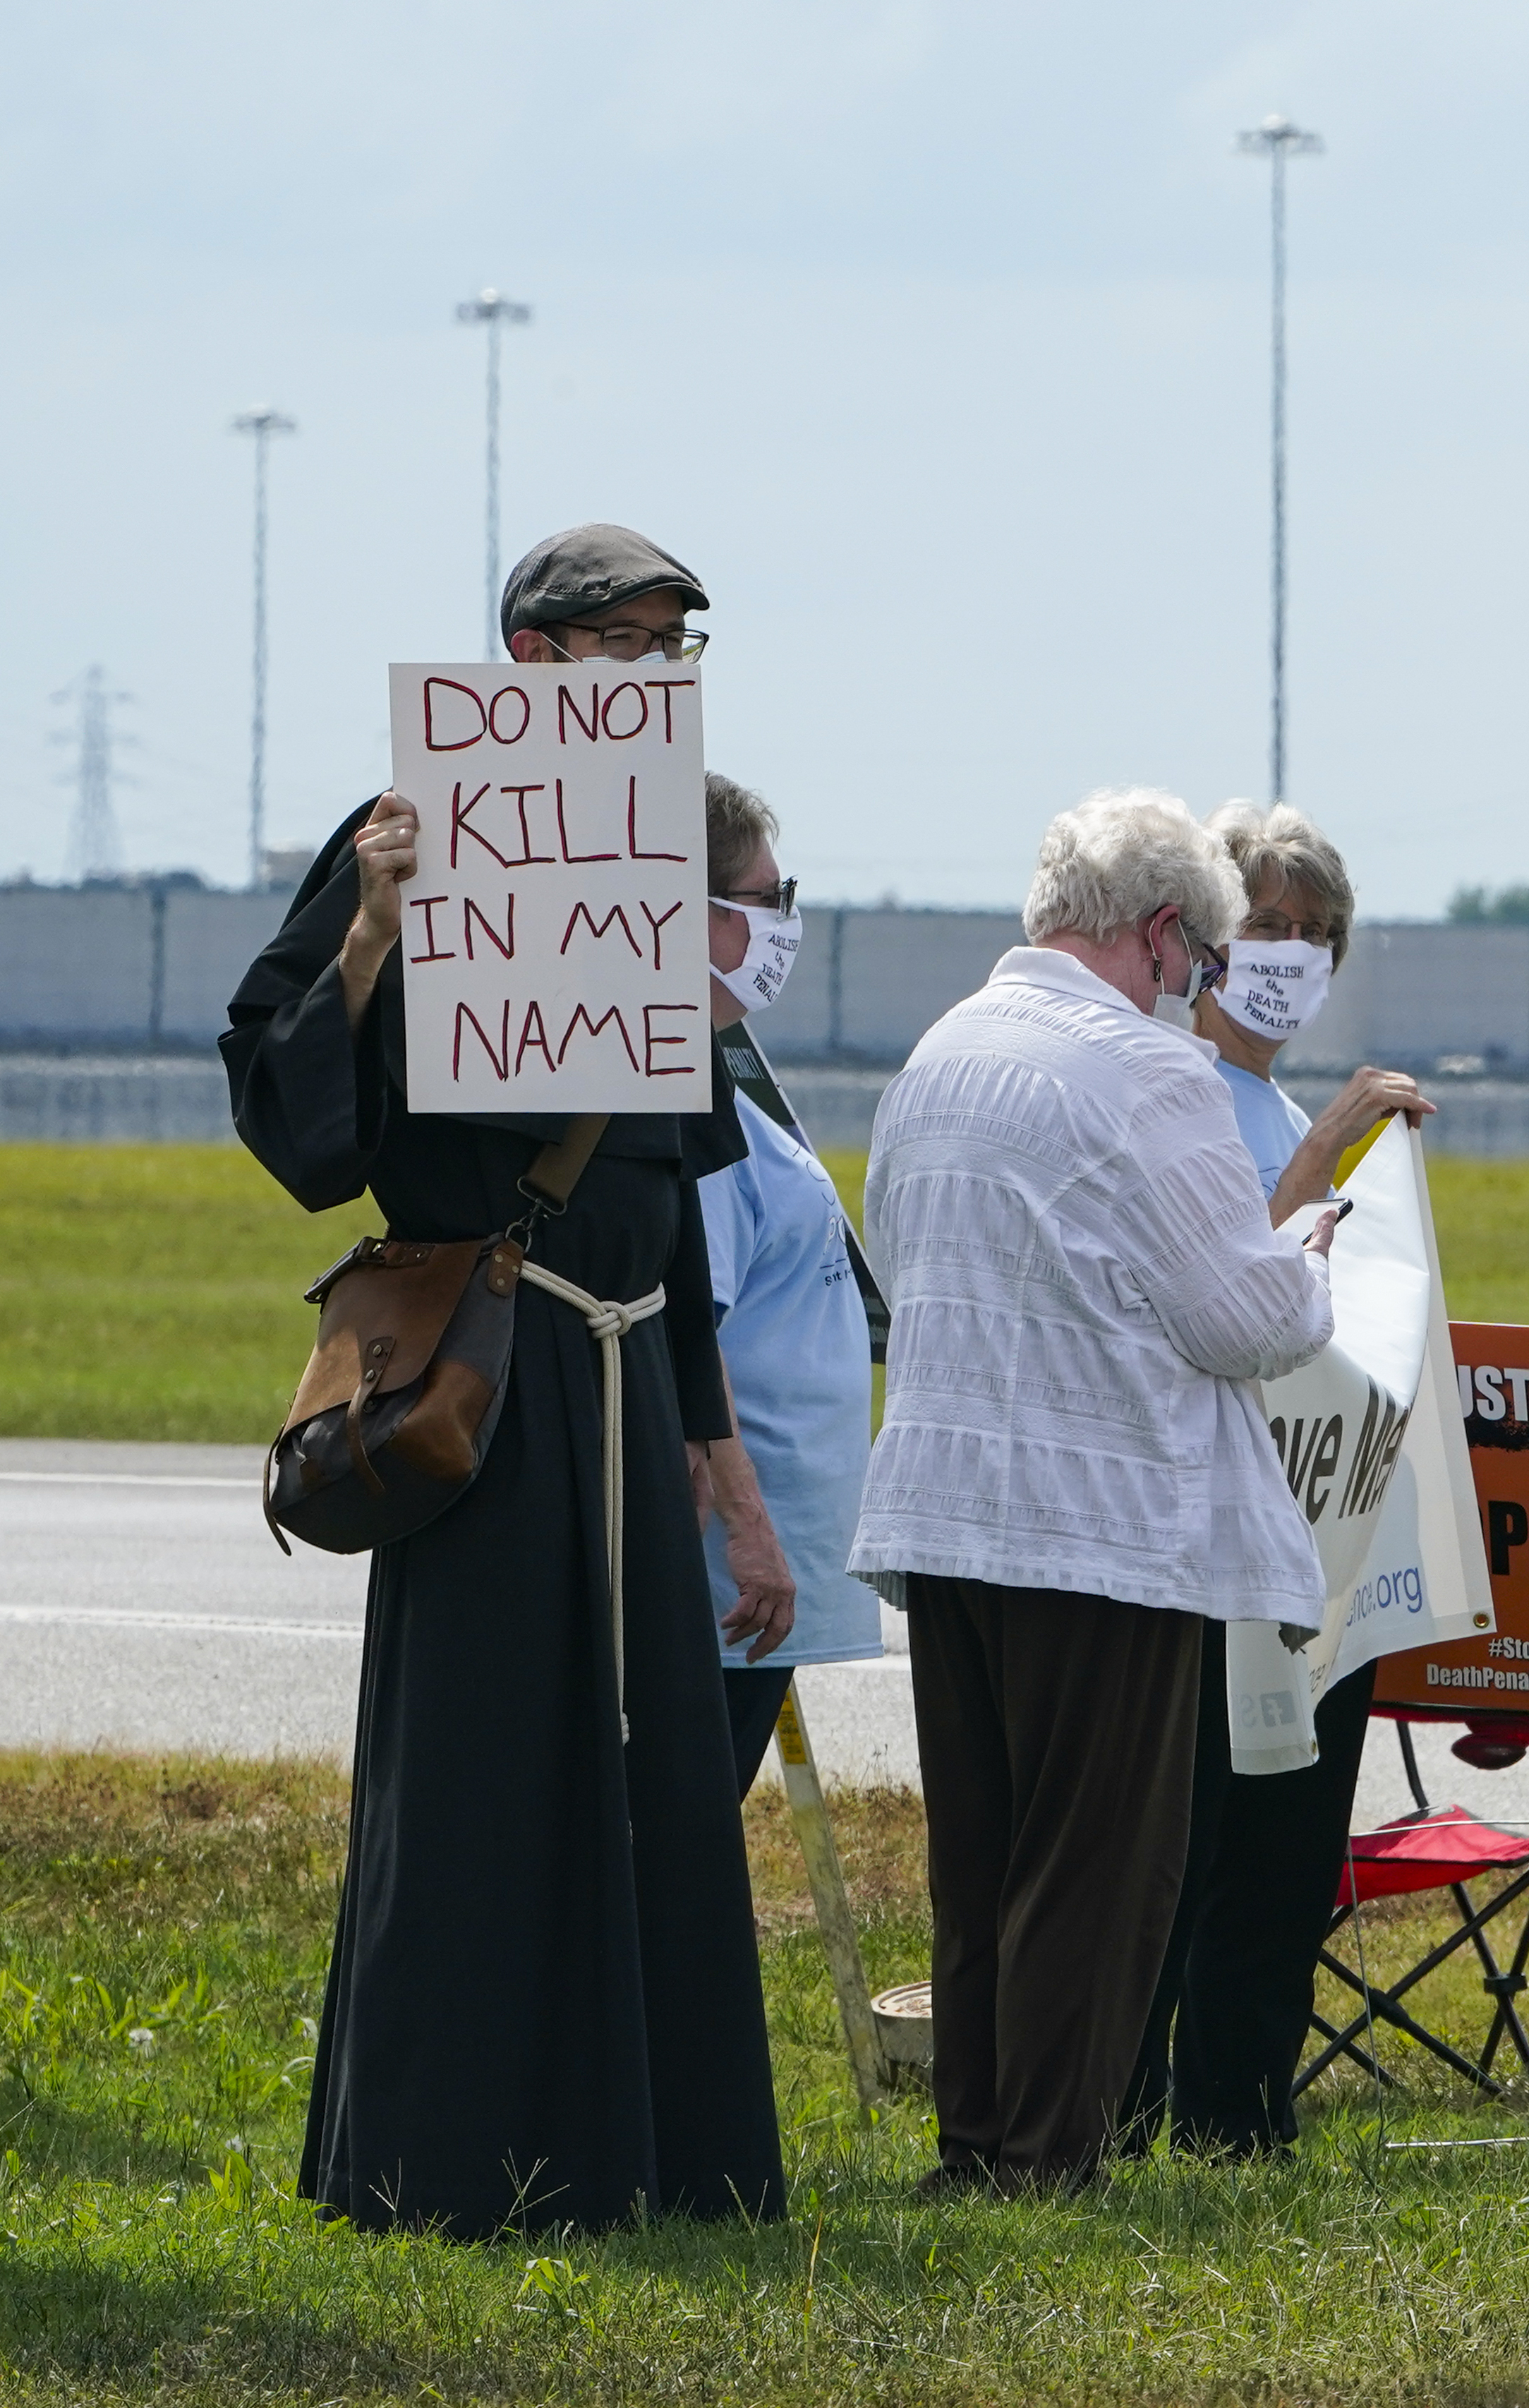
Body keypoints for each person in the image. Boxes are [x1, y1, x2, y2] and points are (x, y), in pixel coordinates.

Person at [221, 523, 783, 2238]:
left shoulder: (647, 851)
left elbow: (666, 1194)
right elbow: (290, 1111)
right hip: (487, 1366)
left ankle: (661, 2154)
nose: (657, 680)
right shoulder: (399, 833)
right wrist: (375, 935)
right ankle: (447, 2157)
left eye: (677, 654)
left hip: (622, 1379)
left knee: (655, 1771)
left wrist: (720, 1454)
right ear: (537, 657)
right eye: (632, 642)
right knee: (479, 1765)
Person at [849, 786, 1345, 2198]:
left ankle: (977, 2132)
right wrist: (1304, 1245)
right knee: (1095, 1862)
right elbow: (1243, 1318)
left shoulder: (943, 1050)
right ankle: (1047, 2151)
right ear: (1162, 933)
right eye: (1204, 957)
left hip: (946, 1507)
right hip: (1102, 1519)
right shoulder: (1150, 1070)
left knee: (982, 1855)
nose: (1204, 988)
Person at [1125, 803, 1430, 2157]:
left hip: (1306, 1522)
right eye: (1265, 926)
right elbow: (1218, 1287)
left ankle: (1239, 2112)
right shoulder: (1167, 1084)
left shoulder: (1275, 1096)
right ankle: (1131, 2104)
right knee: (1188, 1840)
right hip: (1193, 1535)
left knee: (1283, 1846)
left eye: (1315, 934)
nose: (1289, 955)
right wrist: (1329, 1157)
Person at [691, 773, 885, 1796]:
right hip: (732, 1577)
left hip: (769, 1565)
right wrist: (750, 1532)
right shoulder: (690, 1109)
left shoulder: (727, 1083)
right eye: (767, 900)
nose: (785, 925)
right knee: (679, 1830)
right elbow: (695, 1337)